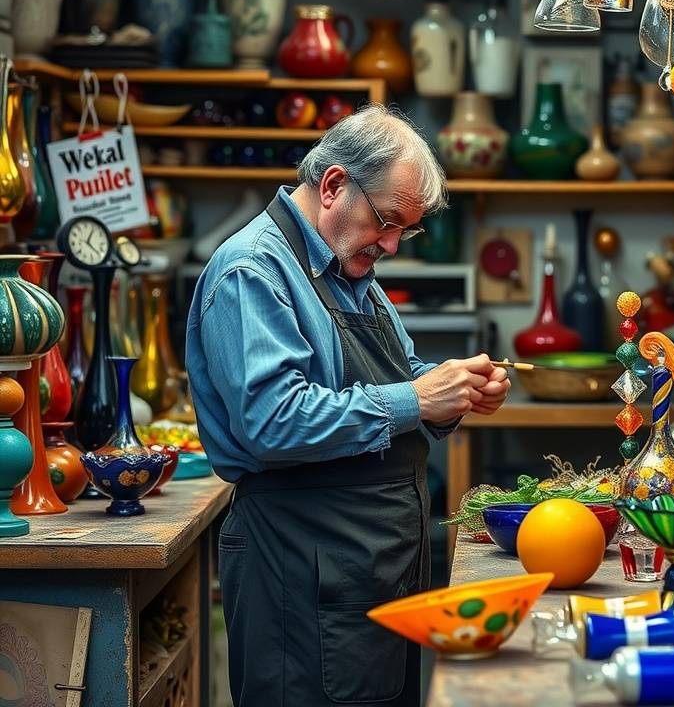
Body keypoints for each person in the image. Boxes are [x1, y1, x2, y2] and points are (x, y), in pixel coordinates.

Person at [185, 104, 510, 707]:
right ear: (334, 185)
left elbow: (399, 373)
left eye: (404, 230)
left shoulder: (348, 269)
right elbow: (273, 421)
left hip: (369, 569)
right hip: (303, 572)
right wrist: (416, 399)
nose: (390, 243)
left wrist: (453, 388)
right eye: (386, 221)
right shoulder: (252, 271)